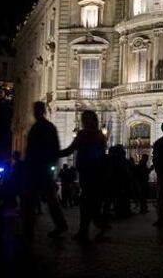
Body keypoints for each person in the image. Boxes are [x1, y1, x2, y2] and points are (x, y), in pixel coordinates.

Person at [60, 110, 110, 241]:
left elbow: (69, 150)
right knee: (89, 203)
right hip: (90, 172)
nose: (86, 122)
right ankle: (95, 226)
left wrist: (54, 153)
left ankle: (88, 229)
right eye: (85, 119)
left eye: (88, 119)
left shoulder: (85, 135)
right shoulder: (98, 135)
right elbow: (70, 150)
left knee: (87, 203)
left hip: (91, 173)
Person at [22, 101, 68, 240]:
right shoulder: (46, 126)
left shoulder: (42, 127)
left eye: (36, 109)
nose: (35, 112)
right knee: (48, 199)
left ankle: (28, 231)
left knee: (30, 199)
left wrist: (47, 165)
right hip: (40, 168)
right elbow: (55, 148)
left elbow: (48, 149)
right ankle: (59, 225)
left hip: (38, 168)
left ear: (40, 111)